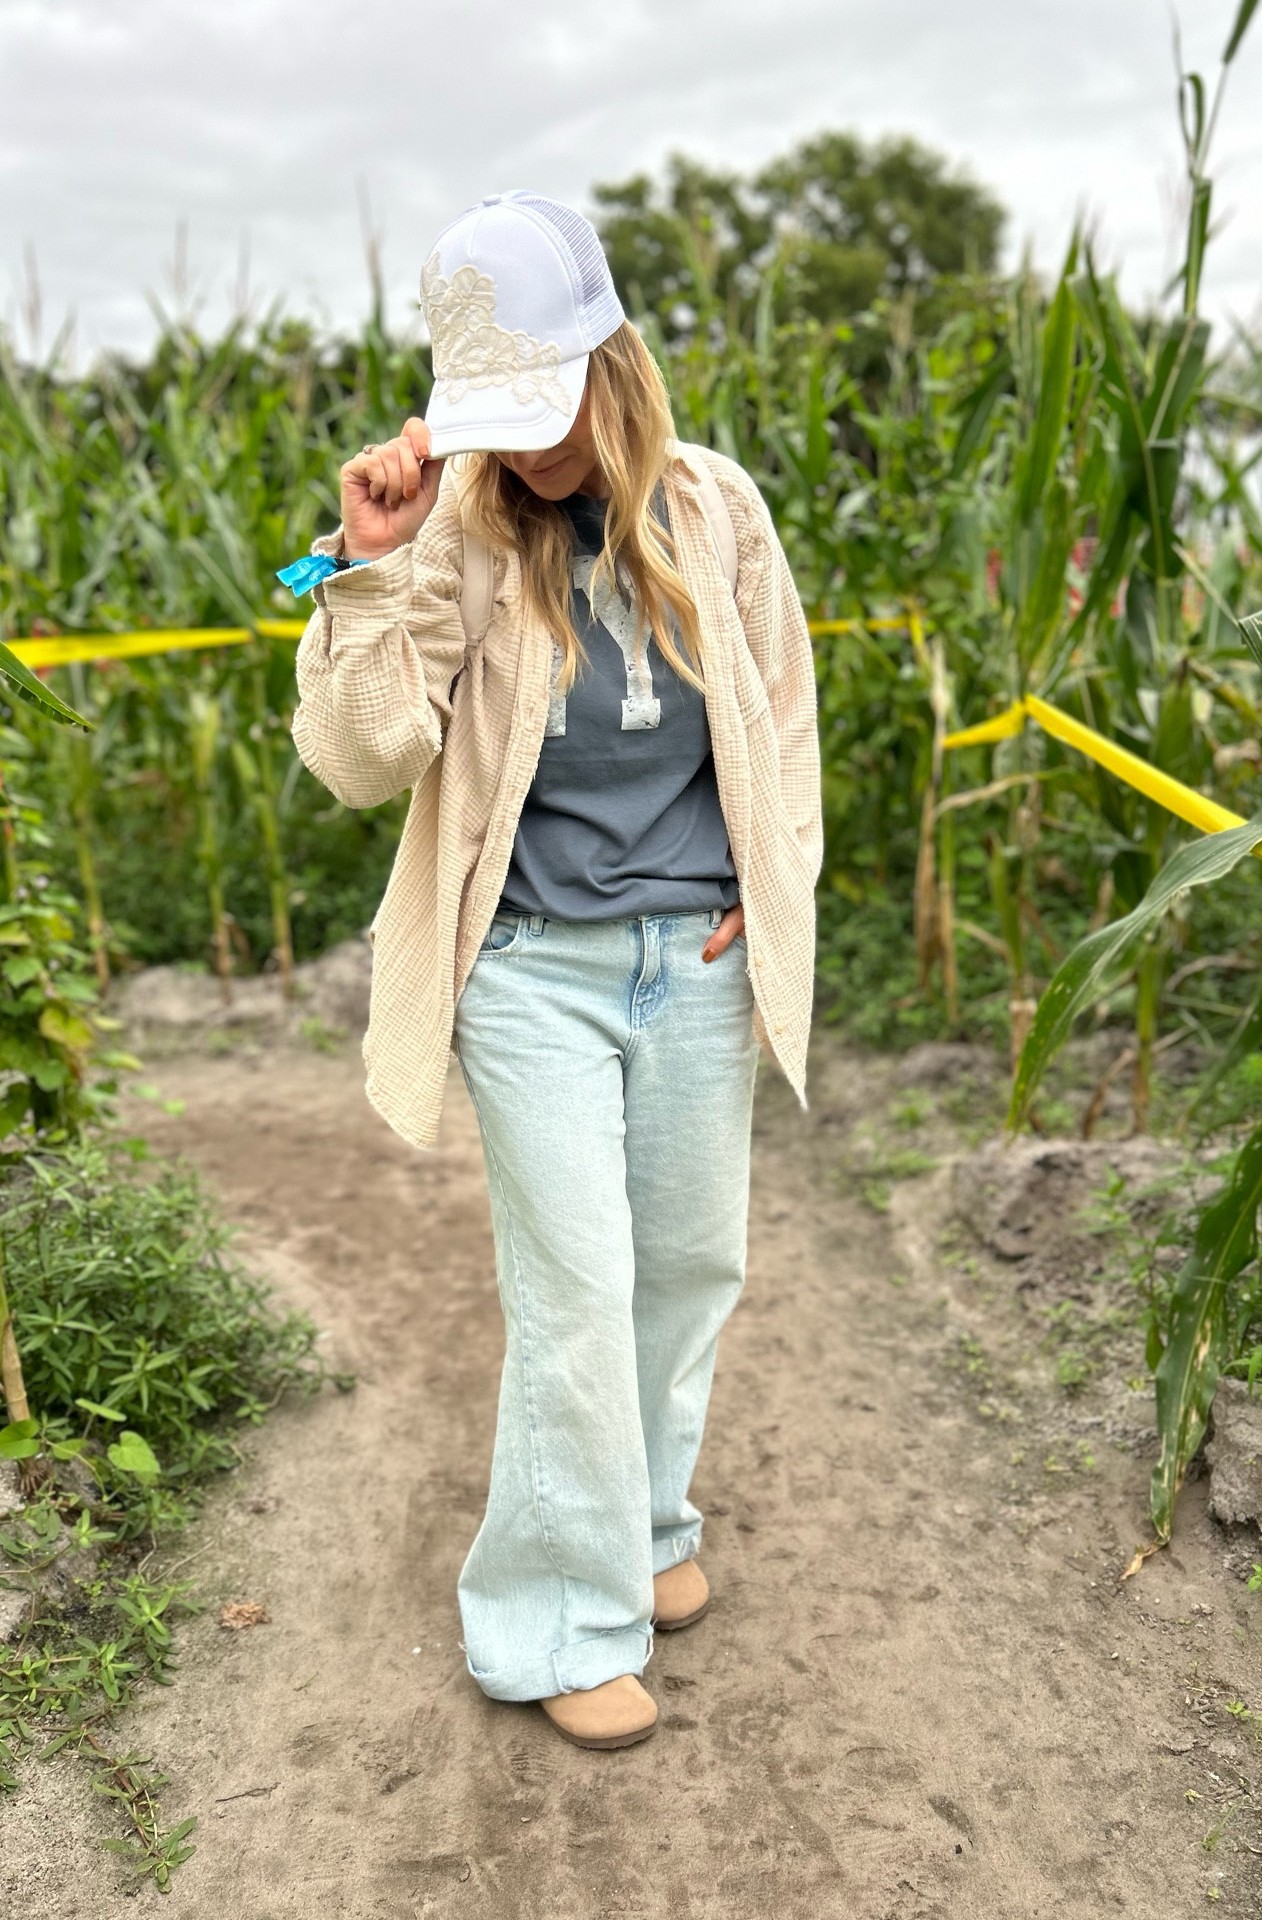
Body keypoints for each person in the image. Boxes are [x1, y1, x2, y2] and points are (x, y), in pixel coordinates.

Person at [291, 189, 820, 1750]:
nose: (527, 452)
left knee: (686, 1270)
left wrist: (760, 885)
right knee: (579, 1297)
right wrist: (368, 565)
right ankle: (547, 1624)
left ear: (612, 359)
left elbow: (782, 722)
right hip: (530, 971)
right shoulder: (455, 532)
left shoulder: (718, 513)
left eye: (547, 409)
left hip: (697, 957)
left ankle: (647, 1531)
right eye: (495, 420)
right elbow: (362, 761)